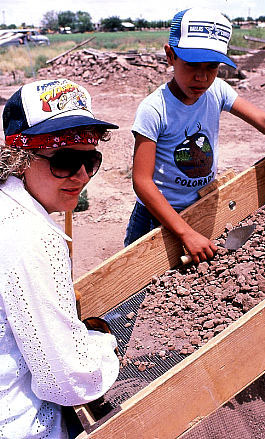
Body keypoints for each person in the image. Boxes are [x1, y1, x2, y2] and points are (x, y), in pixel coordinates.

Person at [124, 7, 265, 263]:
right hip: (158, 215)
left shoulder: (217, 90)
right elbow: (142, 182)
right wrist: (184, 232)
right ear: (170, 56)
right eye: (192, 65)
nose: (202, 77)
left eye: (212, 67)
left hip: (200, 206)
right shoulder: (154, 109)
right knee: (137, 284)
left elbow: (263, 120)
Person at [0, 78, 120, 439]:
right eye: (66, 161)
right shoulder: (31, 237)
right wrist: (104, 346)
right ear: (21, 158)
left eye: (90, 160)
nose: (82, 176)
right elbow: (69, 382)